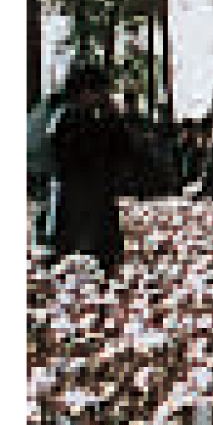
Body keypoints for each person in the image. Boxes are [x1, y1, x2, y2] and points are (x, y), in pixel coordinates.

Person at [34, 65, 142, 272]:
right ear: (84, 92)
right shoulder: (68, 118)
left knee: (93, 242)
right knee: (67, 244)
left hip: (90, 190)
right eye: (97, 91)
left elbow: (122, 148)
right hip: (75, 191)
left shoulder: (87, 118)